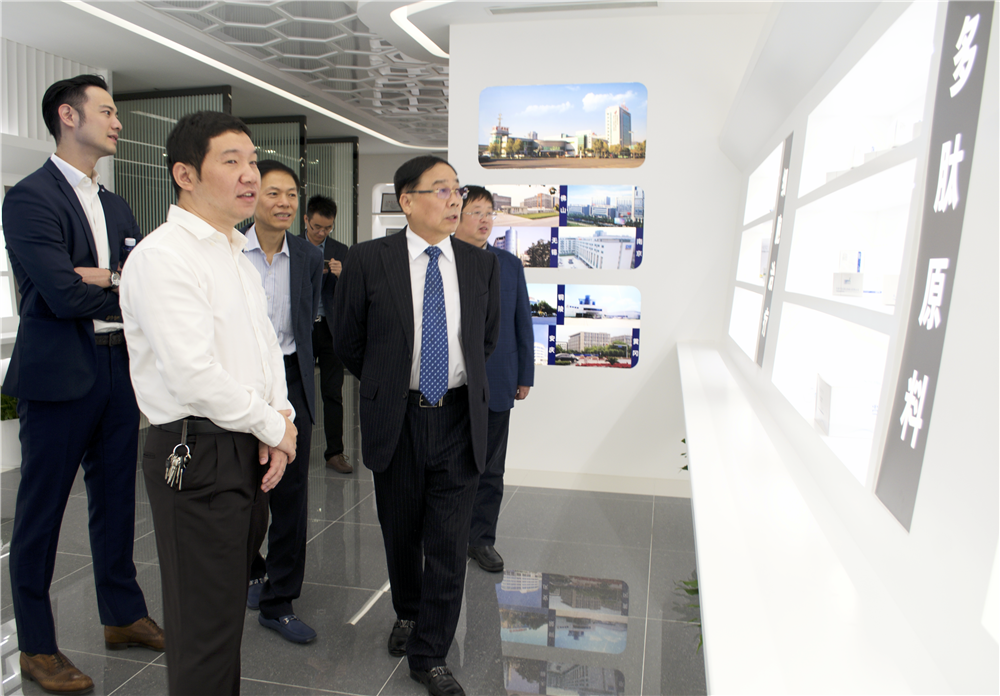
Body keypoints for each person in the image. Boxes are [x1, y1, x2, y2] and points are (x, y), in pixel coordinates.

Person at [119, 111, 297, 696]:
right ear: (185, 174)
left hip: (244, 444)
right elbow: (193, 374)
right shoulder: (164, 256)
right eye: (232, 161)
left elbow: (265, 349)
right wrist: (271, 424)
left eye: (253, 160)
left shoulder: (232, 252)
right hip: (196, 450)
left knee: (223, 621)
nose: (251, 174)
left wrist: (281, 421)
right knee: (204, 632)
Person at [2, 74, 163, 695]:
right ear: (68, 116)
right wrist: (113, 283)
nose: (118, 122)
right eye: (107, 111)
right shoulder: (29, 199)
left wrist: (107, 278)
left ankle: (122, 615)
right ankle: (37, 647)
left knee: (117, 500)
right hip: (57, 376)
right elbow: (63, 295)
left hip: (116, 369)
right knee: (41, 516)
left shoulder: (116, 205)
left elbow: (134, 284)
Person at [332, 156, 500, 696]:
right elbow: (347, 339)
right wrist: (387, 382)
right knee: (401, 532)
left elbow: (484, 340)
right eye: (441, 190)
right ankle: (408, 612)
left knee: (449, 543)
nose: (455, 200)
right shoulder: (368, 260)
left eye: (458, 190)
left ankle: (431, 654)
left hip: (457, 417)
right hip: (397, 417)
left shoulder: (479, 265)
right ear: (407, 201)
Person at [242, 160, 323, 643]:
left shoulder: (308, 256)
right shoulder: (230, 251)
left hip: (291, 379)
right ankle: (252, 571)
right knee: (245, 491)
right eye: (274, 193)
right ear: (252, 197)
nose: (285, 203)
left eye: (291, 194)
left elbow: (308, 324)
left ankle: (279, 600)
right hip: (241, 383)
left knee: (291, 494)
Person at [453, 186, 534, 573]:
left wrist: (524, 374)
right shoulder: (441, 260)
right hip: (452, 382)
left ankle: (481, 539)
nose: (485, 220)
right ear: (456, 215)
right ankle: (447, 534)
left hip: (499, 378)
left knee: (491, 466)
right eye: (476, 212)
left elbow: (522, 321)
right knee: (451, 465)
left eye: (489, 213)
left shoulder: (509, 264)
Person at [302, 195, 352, 474]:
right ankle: (295, 448)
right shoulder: (292, 246)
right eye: (317, 227)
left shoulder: (340, 250)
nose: (321, 233)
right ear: (306, 220)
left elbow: (354, 292)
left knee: (333, 393)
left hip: (330, 330)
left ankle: (334, 452)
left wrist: (342, 275)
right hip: (302, 330)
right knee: (298, 392)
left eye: (327, 228)